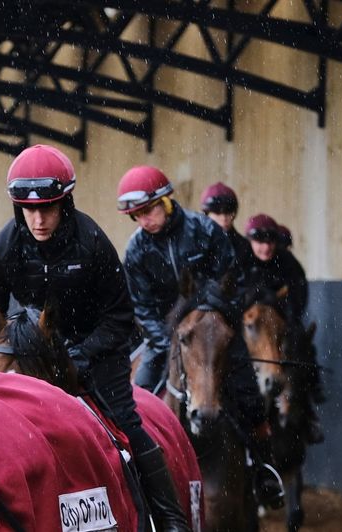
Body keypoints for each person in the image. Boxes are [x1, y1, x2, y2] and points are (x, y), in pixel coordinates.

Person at [0, 145, 190, 531]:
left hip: (98, 352)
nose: (39, 219)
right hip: (34, 354)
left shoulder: (92, 242)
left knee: (128, 423)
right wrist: (4, 348)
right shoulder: (4, 246)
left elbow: (121, 318)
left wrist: (81, 354)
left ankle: (171, 519)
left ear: (65, 203)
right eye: (29, 209)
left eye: (48, 209)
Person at [117, 166, 285, 510]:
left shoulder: (204, 230)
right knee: (139, 395)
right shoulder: (135, 250)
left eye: (147, 211)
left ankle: (264, 471)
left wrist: (207, 310)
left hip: (214, 325)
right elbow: (142, 306)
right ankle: (130, 471)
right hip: (167, 336)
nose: (143, 221)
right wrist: (166, 341)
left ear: (165, 201)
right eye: (135, 216)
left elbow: (231, 279)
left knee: (248, 393)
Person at [244, 214, 324, 443]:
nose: (266, 247)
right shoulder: (240, 258)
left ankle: (307, 408)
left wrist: (280, 313)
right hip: (248, 325)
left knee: (301, 343)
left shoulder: (288, 262)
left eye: (270, 242)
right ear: (250, 241)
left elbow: (298, 301)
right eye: (260, 242)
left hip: (281, 323)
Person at [200, 181, 254, 272]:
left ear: (234, 213)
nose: (223, 218)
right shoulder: (194, 242)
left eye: (228, 211)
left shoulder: (244, 246)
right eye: (217, 212)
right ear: (206, 214)